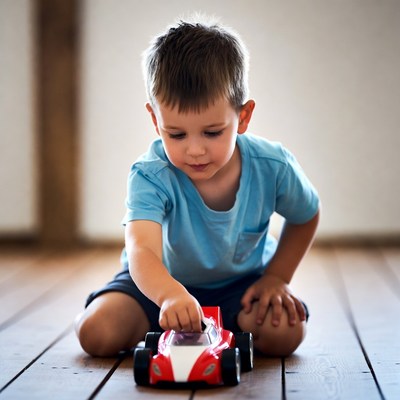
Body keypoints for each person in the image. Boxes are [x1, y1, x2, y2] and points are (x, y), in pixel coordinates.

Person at [75, 16, 320, 358]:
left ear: (243, 117)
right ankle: (177, 325)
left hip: (242, 285)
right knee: (97, 333)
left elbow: (306, 215)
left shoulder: (272, 166)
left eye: (212, 132)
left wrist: (277, 277)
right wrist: (169, 296)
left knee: (286, 334)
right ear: (155, 120)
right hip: (159, 284)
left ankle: (209, 331)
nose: (194, 150)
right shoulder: (150, 174)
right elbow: (141, 251)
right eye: (176, 134)